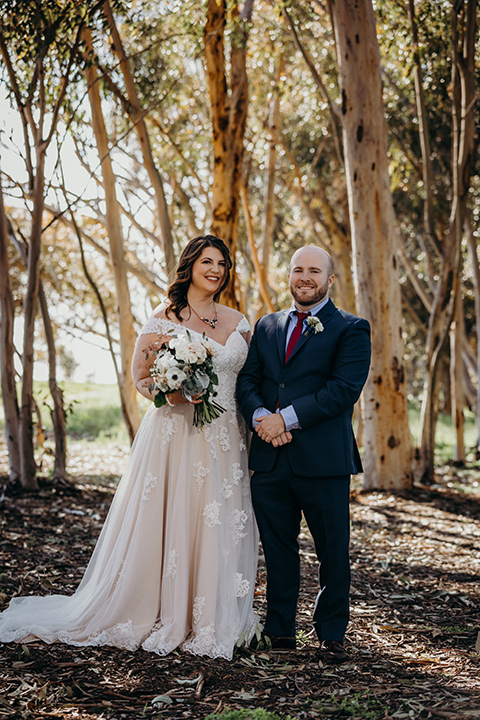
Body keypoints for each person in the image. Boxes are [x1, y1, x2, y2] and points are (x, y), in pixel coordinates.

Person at [0, 235, 258, 660]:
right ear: (190, 265)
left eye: (222, 263)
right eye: (207, 261)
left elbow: (247, 379)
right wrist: (176, 393)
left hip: (226, 436)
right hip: (177, 435)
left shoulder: (240, 321)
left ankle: (211, 616)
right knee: (172, 520)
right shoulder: (163, 318)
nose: (216, 269)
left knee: (216, 522)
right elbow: (142, 380)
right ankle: (163, 611)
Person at [236, 245, 371, 663]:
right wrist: (261, 416)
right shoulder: (266, 325)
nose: (305, 277)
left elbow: (343, 390)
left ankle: (330, 632)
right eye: (298, 270)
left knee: (332, 551)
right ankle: (280, 630)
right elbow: (248, 381)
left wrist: (286, 419)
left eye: (315, 271)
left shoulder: (351, 328)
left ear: (330, 280)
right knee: (278, 550)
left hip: (323, 461)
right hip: (271, 460)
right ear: (289, 277)